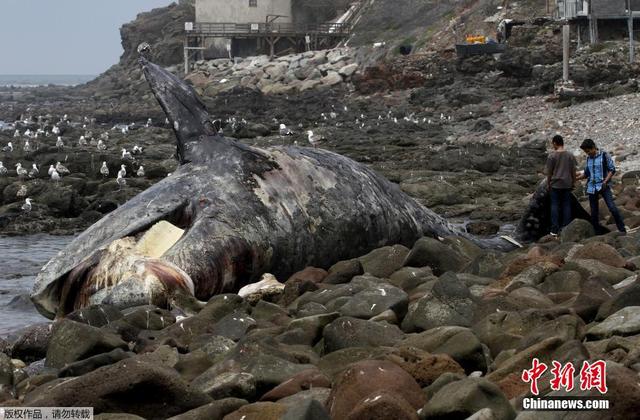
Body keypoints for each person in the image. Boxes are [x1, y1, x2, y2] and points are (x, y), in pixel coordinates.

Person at [578, 138, 626, 233]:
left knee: (612, 208)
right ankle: (597, 232)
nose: (587, 153)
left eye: (588, 151)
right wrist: (575, 178)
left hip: (604, 186)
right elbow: (587, 174)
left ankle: (622, 229)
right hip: (592, 187)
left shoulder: (604, 155)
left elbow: (612, 169)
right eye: (586, 152)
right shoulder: (588, 158)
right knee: (594, 212)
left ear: (593, 148)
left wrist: (605, 181)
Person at [545, 135, 577, 236]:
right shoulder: (570, 155)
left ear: (555, 143)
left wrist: (548, 183)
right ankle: (566, 227)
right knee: (566, 205)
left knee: (554, 206)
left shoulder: (552, 156)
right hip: (567, 184)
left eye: (552, 144)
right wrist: (574, 182)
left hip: (555, 184)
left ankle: (554, 229)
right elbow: (573, 170)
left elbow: (549, 172)